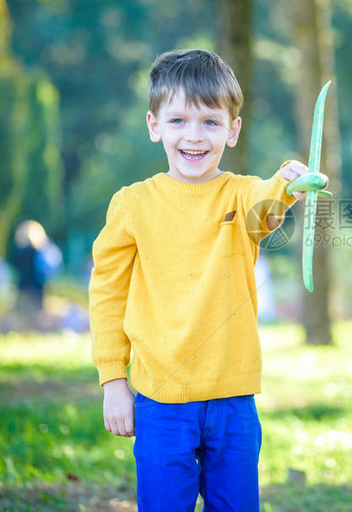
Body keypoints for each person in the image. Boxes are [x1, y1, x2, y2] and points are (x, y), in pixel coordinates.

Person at [89, 49, 318, 511]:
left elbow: (266, 204)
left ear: (232, 130)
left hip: (233, 399)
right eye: (178, 121)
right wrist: (114, 379)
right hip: (160, 398)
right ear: (154, 125)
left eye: (210, 123)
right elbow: (107, 293)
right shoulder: (133, 203)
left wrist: (287, 184)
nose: (194, 136)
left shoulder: (240, 193)